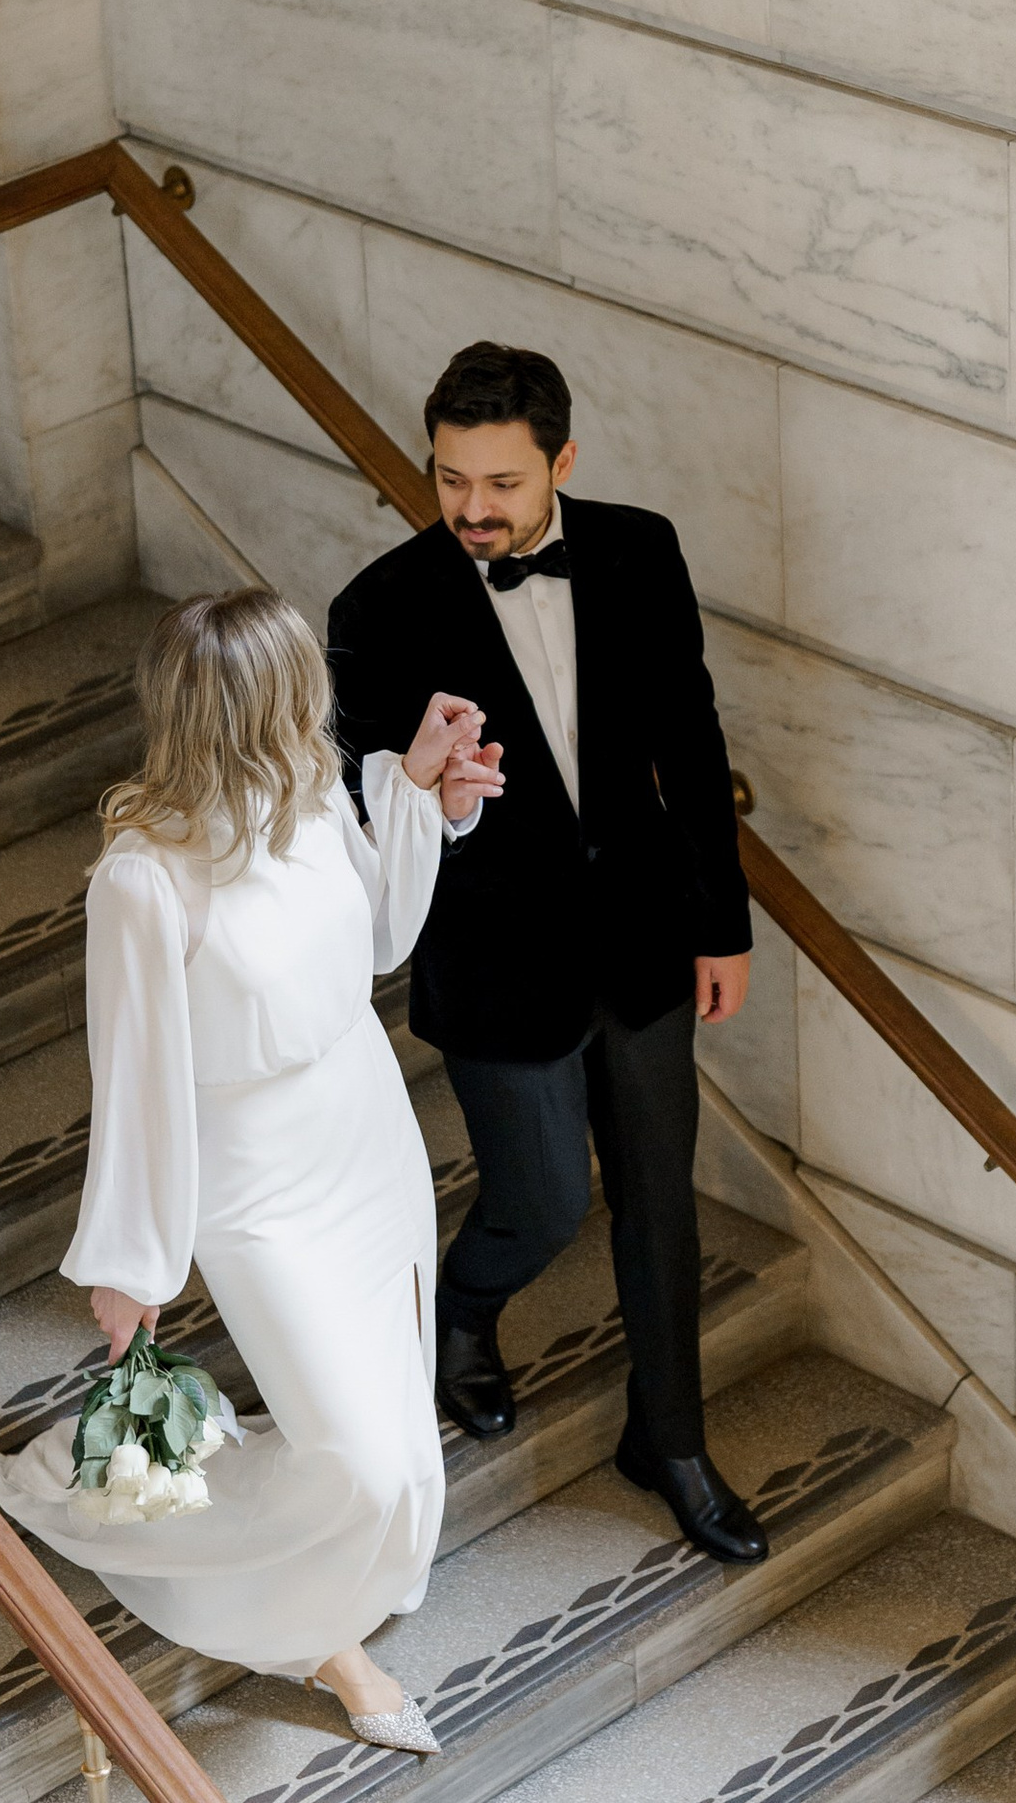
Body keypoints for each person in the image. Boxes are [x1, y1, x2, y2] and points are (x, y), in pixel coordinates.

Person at [0, 589, 501, 1749]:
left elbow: (376, 941)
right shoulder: (140, 880)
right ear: (258, 706)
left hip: (363, 1132)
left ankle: (346, 1580)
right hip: (255, 1183)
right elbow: (134, 1076)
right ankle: (321, 1642)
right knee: (360, 1459)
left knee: (391, 1420)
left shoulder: (311, 793)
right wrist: (132, 1258)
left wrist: (419, 796)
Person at [327, 343, 765, 1566]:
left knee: (657, 1204)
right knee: (541, 1203)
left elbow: (690, 736)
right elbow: (367, 821)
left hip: (642, 935)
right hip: (494, 956)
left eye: (502, 483)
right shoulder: (376, 611)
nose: (473, 507)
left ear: (561, 463)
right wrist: (433, 795)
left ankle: (666, 1440)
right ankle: (458, 1316)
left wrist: (719, 922)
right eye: (451, 477)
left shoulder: (638, 548)